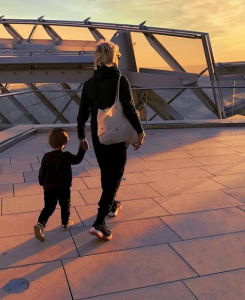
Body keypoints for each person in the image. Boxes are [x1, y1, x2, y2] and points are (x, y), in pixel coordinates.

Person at [77, 40, 145, 241]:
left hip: (99, 136)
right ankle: (99, 222)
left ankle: (112, 205)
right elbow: (130, 109)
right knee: (114, 176)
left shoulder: (89, 84)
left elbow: (82, 114)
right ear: (113, 57)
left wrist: (81, 136)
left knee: (107, 172)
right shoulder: (120, 80)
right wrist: (140, 132)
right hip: (118, 136)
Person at [34, 128, 87, 242]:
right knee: (65, 205)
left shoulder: (46, 156)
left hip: (49, 188)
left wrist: (42, 182)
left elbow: (42, 172)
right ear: (65, 143)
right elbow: (77, 160)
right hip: (63, 187)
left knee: (48, 207)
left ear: (51, 142)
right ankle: (65, 223)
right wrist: (82, 149)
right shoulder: (66, 155)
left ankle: (40, 224)